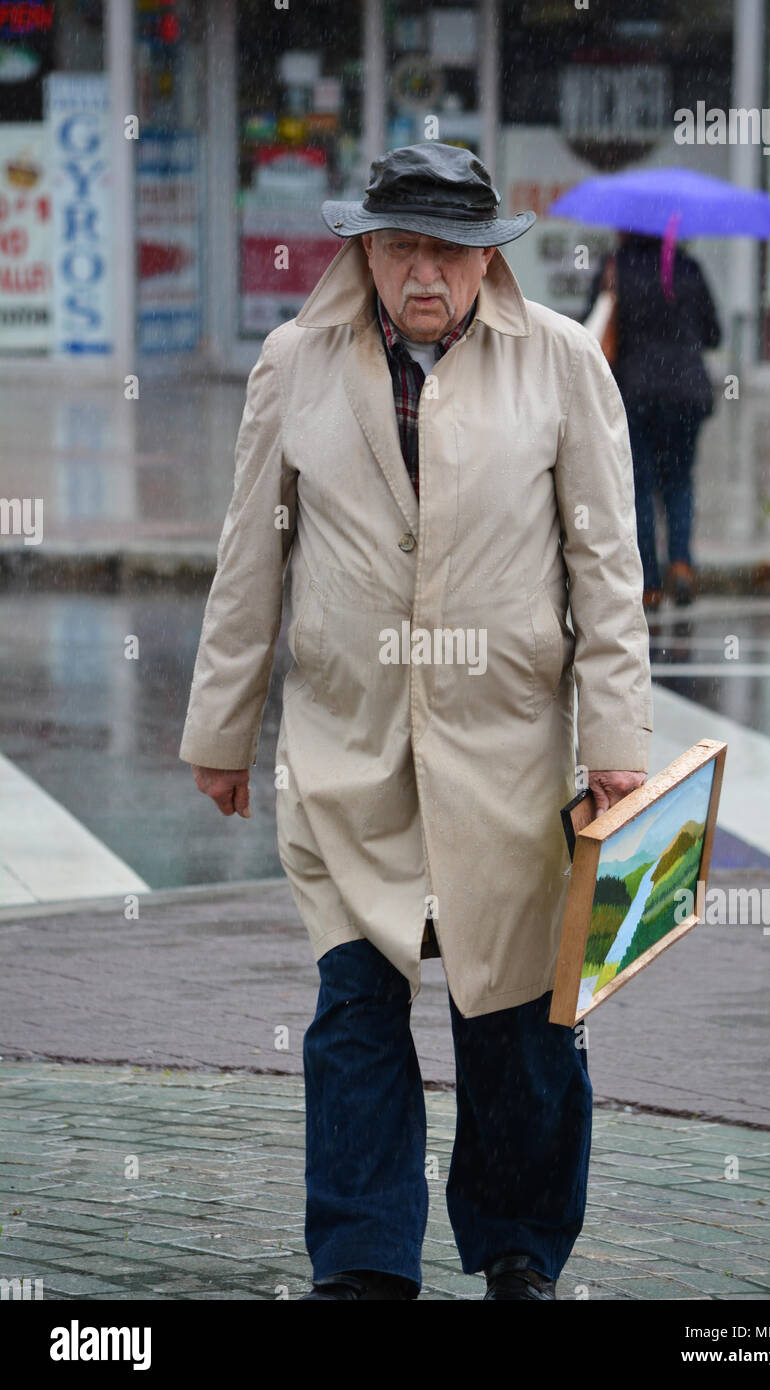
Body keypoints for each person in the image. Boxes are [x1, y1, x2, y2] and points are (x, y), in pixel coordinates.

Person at [179, 143, 652, 1300]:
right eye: (401, 248)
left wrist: (617, 747)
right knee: (353, 1011)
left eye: (449, 249)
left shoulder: (557, 368)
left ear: (488, 258)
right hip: (347, 752)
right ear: (366, 251)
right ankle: (362, 1261)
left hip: (508, 759)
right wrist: (220, 732)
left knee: (519, 1030)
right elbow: (252, 560)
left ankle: (515, 1249)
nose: (423, 272)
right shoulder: (296, 365)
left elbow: (605, 568)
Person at [589, 232, 722, 609]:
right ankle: (680, 563)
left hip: (636, 394)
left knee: (640, 486)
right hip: (687, 393)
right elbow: (714, 333)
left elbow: (593, 330)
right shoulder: (689, 267)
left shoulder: (616, 267)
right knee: (679, 481)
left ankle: (648, 583)